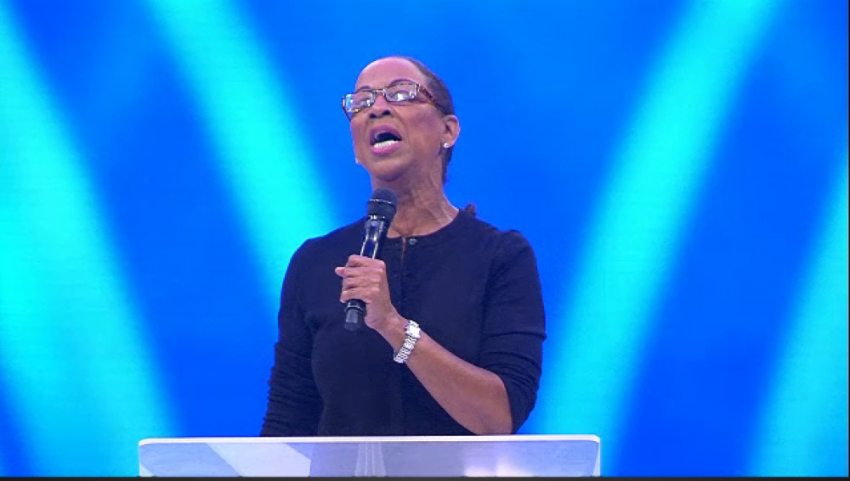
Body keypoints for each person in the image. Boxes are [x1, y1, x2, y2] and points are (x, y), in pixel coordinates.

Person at [260, 55, 546, 437]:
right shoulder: (317, 262)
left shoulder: (500, 257)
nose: (377, 108)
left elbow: (500, 417)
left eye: (400, 94)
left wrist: (394, 326)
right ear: (357, 150)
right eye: (361, 102)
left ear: (448, 130)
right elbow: (287, 422)